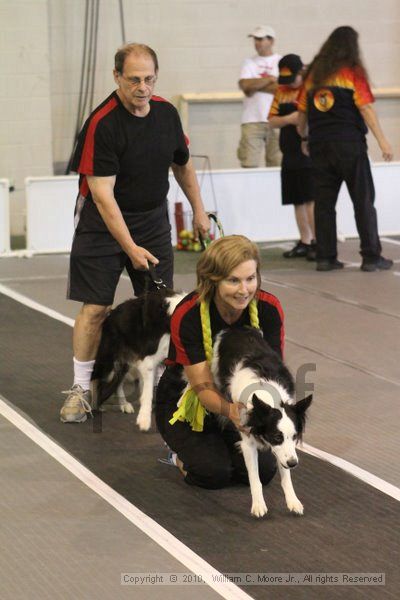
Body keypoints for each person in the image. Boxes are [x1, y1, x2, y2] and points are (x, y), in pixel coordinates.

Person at [60, 43, 210, 423]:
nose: (142, 87)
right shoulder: (103, 124)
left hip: (152, 219)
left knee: (160, 306)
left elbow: (184, 166)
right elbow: (102, 195)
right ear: (116, 78)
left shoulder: (166, 115)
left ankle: (160, 388)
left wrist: (198, 210)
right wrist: (130, 247)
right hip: (101, 223)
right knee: (96, 309)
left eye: (149, 79)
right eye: (133, 80)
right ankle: (81, 389)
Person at [155, 235, 283, 489]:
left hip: (242, 399)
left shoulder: (268, 308)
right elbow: (203, 389)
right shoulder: (189, 314)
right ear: (212, 280)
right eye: (233, 280)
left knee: (262, 473)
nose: (244, 290)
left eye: (250, 278)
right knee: (213, 473)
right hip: (188, 397)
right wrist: (231, 412)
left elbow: (273, 377)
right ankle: (177, 453)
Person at [297, 26, 393, 272]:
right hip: (349, 144)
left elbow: (302, 113)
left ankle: (325, 257)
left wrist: (304, 137)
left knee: (324, 203)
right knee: (363, 201)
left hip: (320, 145)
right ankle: (371, 257)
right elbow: (365, 108)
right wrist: (383, 141)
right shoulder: (352, 72)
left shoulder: (313, 75)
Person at [269, 54, 316, 260]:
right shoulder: (281, 90)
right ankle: (304, 241)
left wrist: (285, 120)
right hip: (289, 153)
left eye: (293, 79)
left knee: (311, 200)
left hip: (308, 153)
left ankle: (318, 241)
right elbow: (271, 121)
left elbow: (306, 118)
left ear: (301, 73)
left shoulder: (311, 89)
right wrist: (290, 118)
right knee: (296, 200)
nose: (290, 84)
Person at [237, 25, 282, 168]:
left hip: (277, 118)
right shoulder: (248, 62)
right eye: (255, 39)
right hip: (252, 119)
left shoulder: (281, 61)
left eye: (261, 39)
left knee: (277, 164)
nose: (257, 43)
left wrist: (255, 84)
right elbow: (246, 87)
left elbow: (280, 89)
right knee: (249, 163)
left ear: (271, 41)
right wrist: (270, 79)